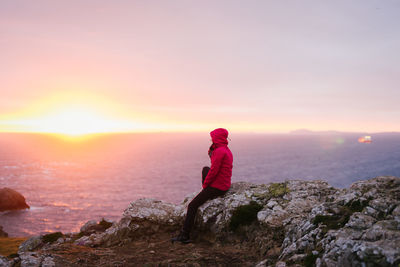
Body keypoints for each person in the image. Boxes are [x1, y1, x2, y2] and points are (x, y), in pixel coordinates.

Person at [171, 128, 233, 243]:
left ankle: (185, 235)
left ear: (217, 138)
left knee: (192, 205)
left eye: (213, 138)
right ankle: (208, 193)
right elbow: (214, 168)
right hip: (224, 184)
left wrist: (205, 186)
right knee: (205, 169)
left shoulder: (219, 151)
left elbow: (214, 171)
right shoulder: (225, 149)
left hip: (218, 187)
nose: (211, 140)